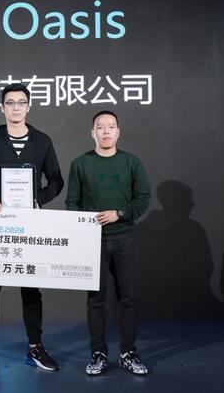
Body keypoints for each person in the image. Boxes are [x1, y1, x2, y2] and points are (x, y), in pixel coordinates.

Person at [0, 83, 64, 373]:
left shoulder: (42, 141)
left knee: (31, 288)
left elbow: (56, 180)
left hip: (29, 224)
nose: (16, 107)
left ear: (28, 107)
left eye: (21, 102)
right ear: (2, 108)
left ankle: (35, 347)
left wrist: (38, 200)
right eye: (10, 102)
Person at [65, 110, 151, 376]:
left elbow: (143, 198)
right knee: (96, 300)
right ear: (92, 132)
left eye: (111, 126)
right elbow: (72, 202)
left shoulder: (131, 162)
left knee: (128, 298)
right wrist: (83, 226)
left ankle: (128, 353)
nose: (106, 131)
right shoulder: (80, 164)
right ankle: (98, 354)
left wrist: (120, 214)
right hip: (93, 242)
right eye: (100, 127)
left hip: (124, 238)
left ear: (118, 132)